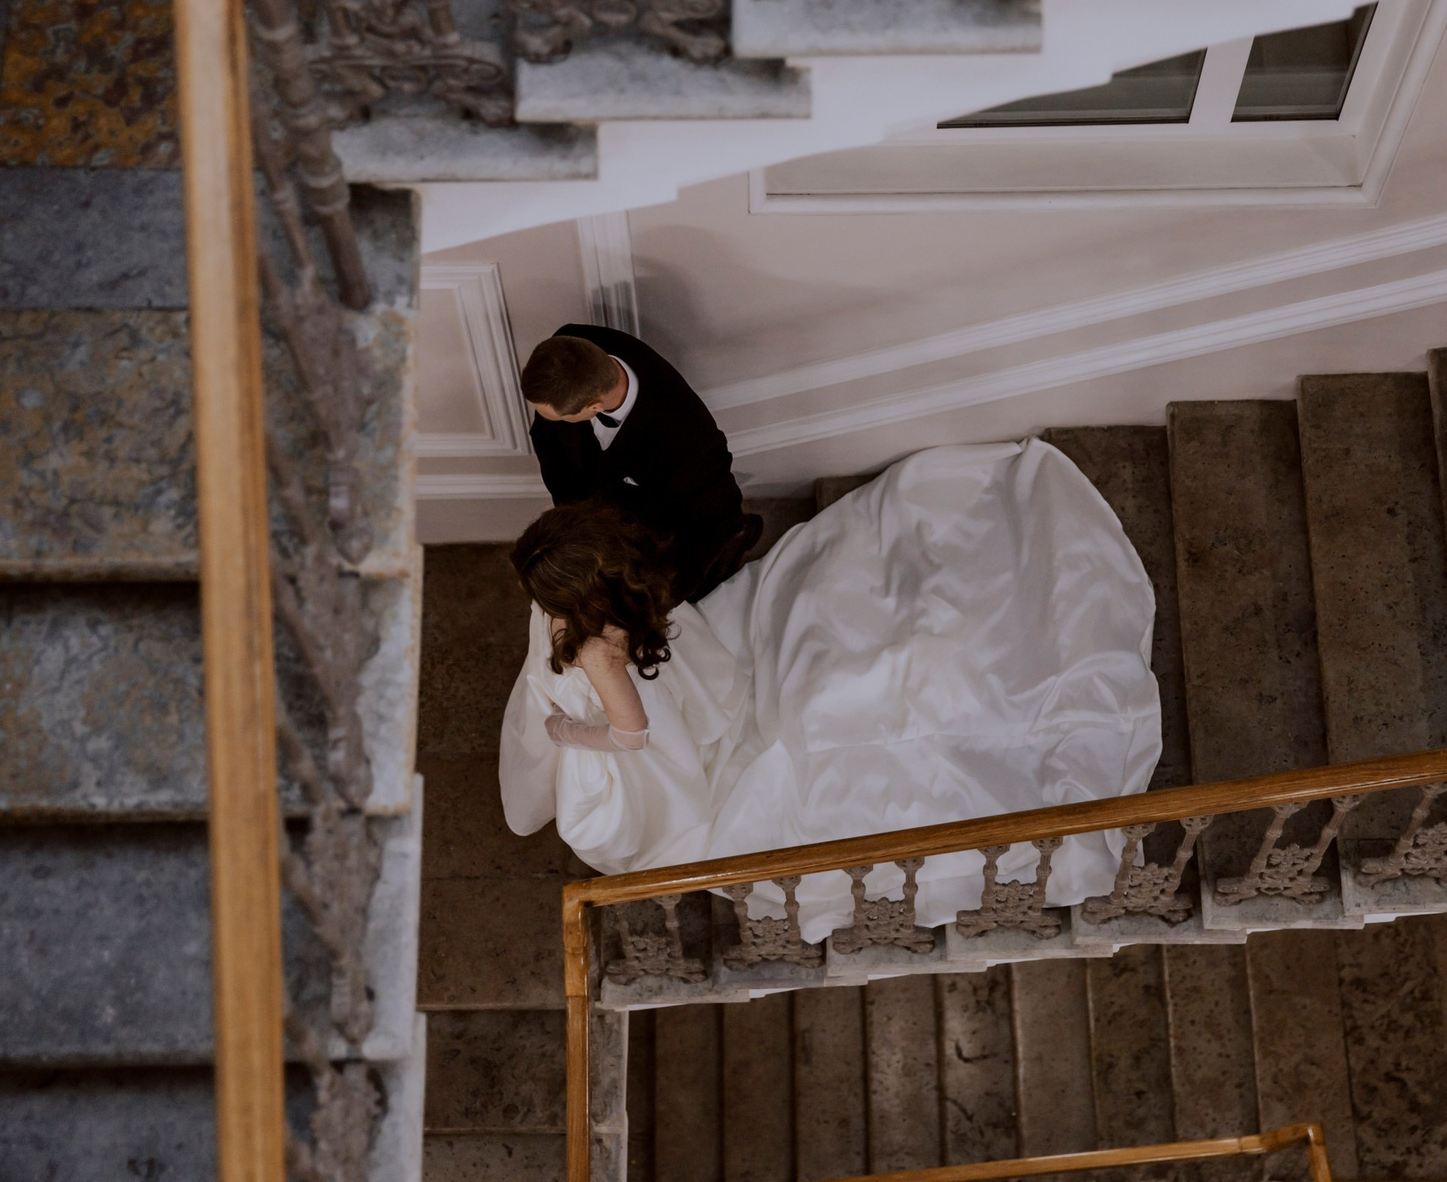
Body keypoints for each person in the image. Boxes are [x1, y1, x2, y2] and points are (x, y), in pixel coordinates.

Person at [500, 438, 1167, 944]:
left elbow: (631, 735)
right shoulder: (615, 612)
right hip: (681, 700)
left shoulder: (596, 652)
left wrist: (565, 732)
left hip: (653, 742)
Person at [522, 324, 761, 604]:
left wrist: (656, 605)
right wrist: (574, 521)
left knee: (698, 590)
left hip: (667, 519)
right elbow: (548, 440)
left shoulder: (690, 441)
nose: (546, 422)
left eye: (558, 418)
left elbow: (717, 521)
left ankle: (740, 539)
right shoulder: (571, 349)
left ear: (594, 406)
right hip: (605, 503)